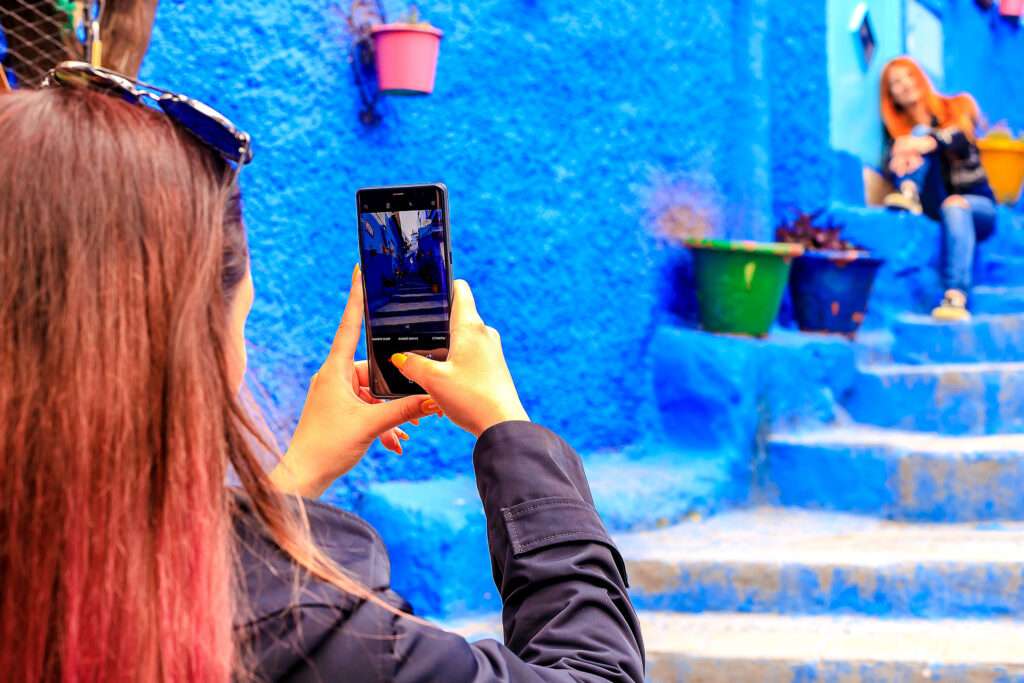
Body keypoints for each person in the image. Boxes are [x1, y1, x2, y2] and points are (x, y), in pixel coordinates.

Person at [0, 68, 644, 682]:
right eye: (241, 317)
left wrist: (295, 478)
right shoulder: (312, 633)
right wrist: (511, 433)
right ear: (196, 341)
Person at [880, 56, 997, 321]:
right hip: (936, 203)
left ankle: (955, 296)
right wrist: (902, 150)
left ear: (920, 78)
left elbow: (959, 140)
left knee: (954, 203)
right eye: (895, 83)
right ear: (891, 97)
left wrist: (923, 142)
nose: (905, 85)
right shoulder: (897, 137)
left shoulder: (955, 107)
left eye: (908, 76)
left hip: (978, 206)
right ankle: (909, 191)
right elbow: (891, 162)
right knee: (912, 142)